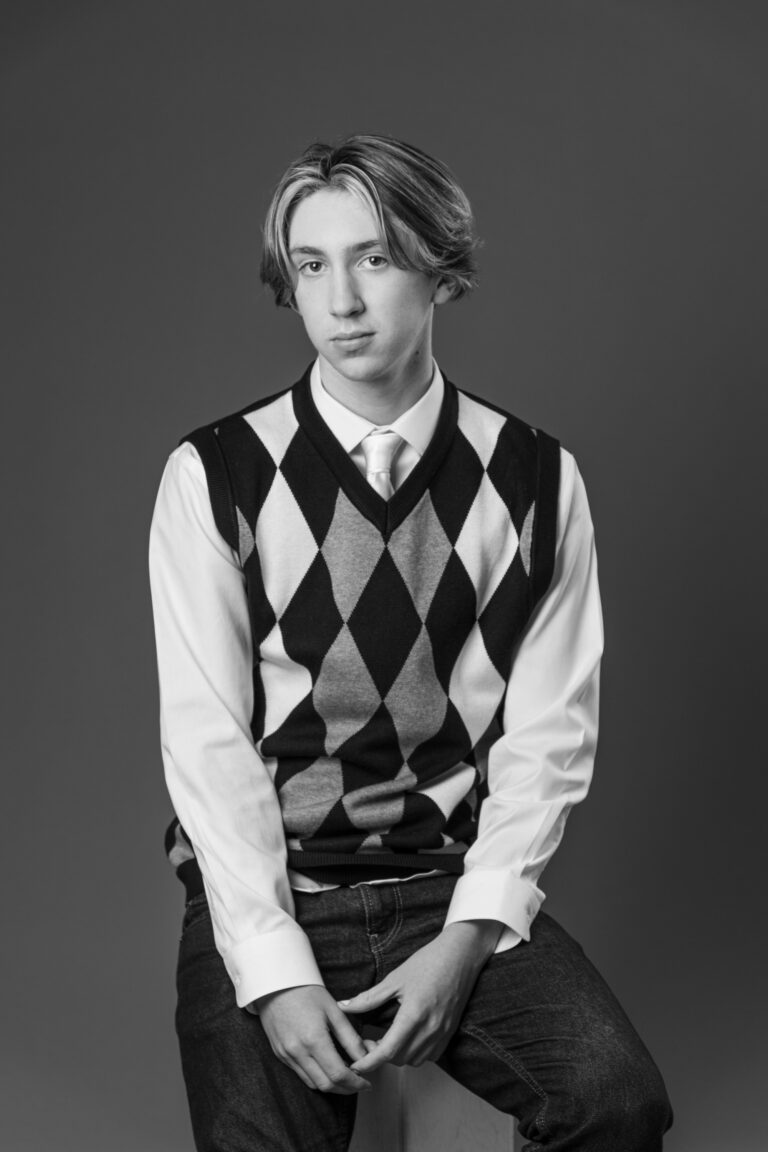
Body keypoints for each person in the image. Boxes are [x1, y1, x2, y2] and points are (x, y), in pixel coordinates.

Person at [149, 134, 672, 1151]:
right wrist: (274, 968)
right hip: (277, 888)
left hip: (447, 885)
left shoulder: (536, 480)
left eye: (374, 259)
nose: (341, 300)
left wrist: (471, 935)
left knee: (616, 1105)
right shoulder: (213, 475)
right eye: (312, 265)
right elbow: (205, 747)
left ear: (439, 269)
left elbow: (548, 737)